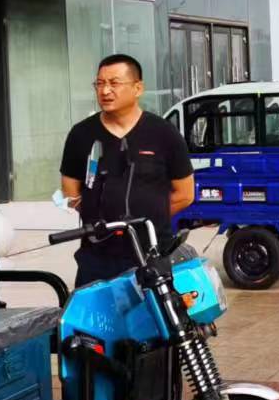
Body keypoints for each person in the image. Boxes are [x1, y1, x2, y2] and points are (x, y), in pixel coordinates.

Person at [60, 54, 194, 287]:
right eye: (100, 83)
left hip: (151, 254)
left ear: (138, 88)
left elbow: (185, 194)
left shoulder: (164, 134)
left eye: (114, 83)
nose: (105, 91)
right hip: (96, 258)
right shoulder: (81, 135)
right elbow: (70, 192)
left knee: (154, 309)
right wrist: (102, 216)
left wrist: (143, 220)